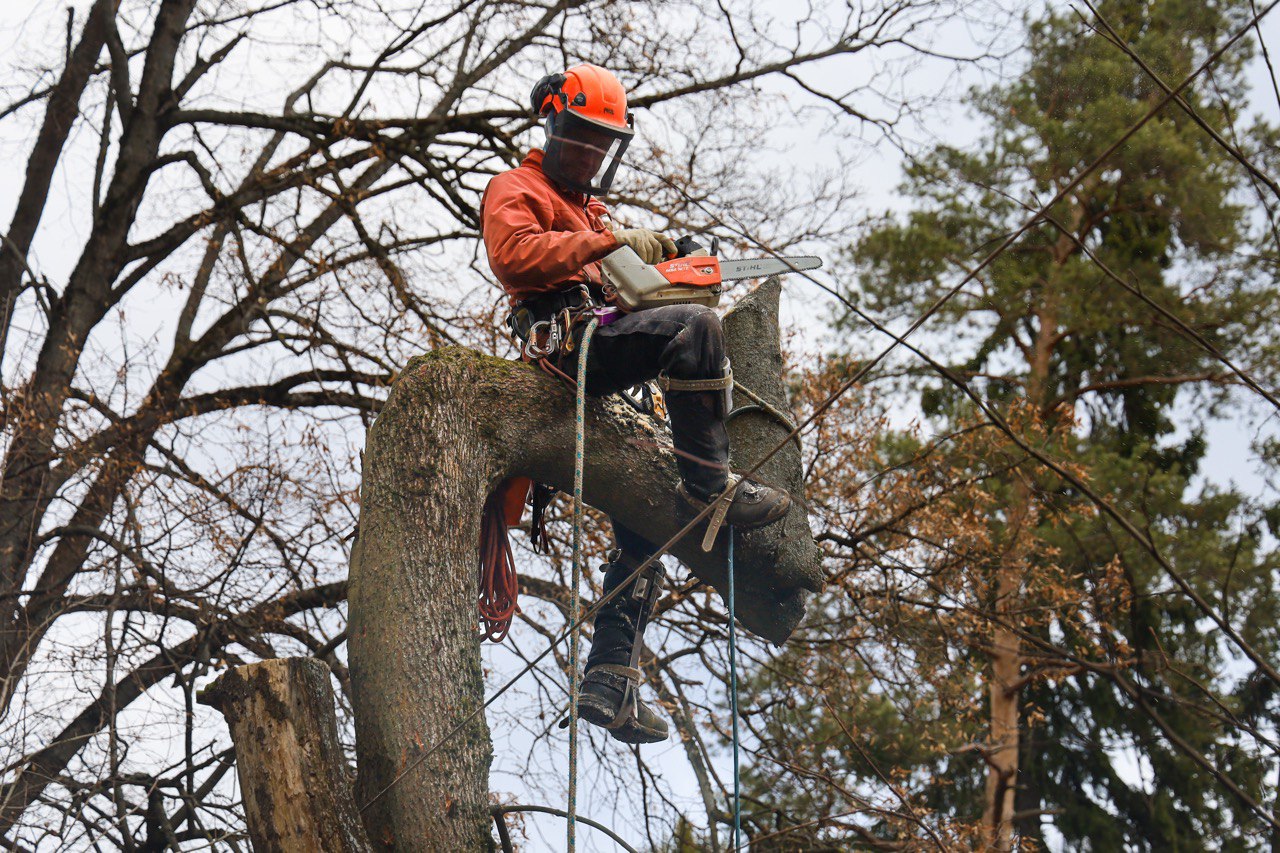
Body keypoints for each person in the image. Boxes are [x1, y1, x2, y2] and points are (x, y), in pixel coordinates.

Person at [480, 63, 790, 744]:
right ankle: (711, 487)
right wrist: (613, 246)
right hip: (567, 346)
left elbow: (631, 288)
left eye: (602, 143)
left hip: (611, 354)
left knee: (650, 507)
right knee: (695, 329)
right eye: (582, 137)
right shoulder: (516, 188)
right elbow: (516, 257)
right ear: (555, 125)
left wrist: (665, 266)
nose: (591, 153)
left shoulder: (596, 213)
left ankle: (610, 674)